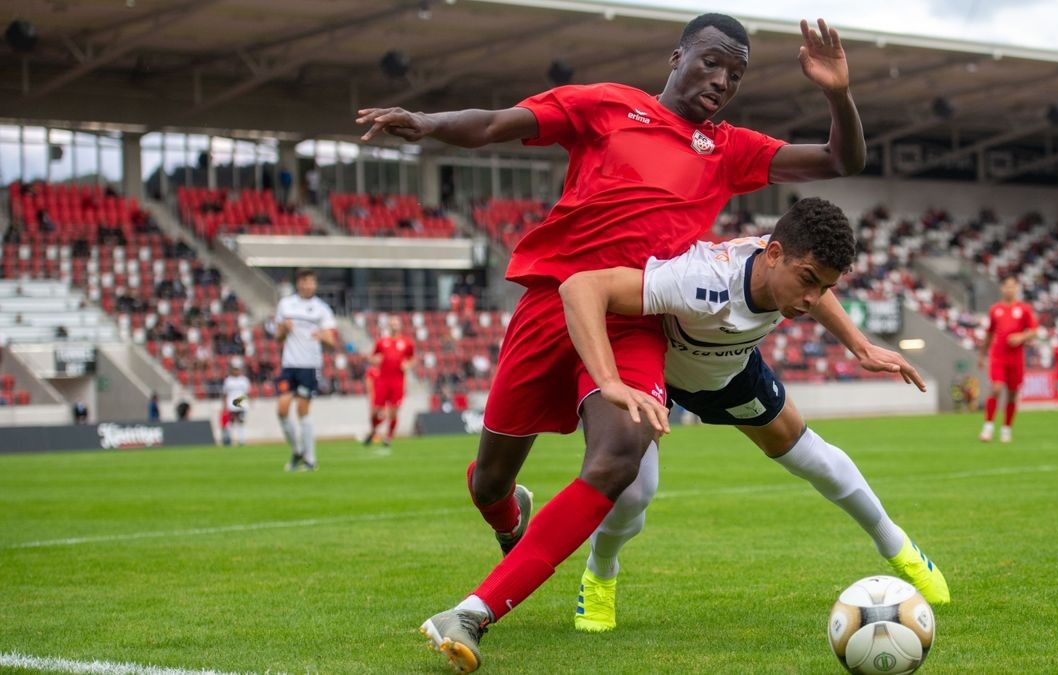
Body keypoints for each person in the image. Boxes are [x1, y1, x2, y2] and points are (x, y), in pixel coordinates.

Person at [359, 14, 866, 672]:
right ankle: (514, 519)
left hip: (633, 319)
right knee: (489, 483)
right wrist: (426, 124)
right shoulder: (604, 106)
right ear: (677, 55)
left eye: (735, 74)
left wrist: (837, 92)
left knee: (621, 450)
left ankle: (472, 613)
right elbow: (491, 124)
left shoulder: (729, 149)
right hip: (552, 303)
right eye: (711, 62)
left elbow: (840, 160)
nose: (721, 80)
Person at [558, 198, 948, 633]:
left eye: (824, 286)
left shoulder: (793, 273)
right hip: (659, 376)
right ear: (774, 254)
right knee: (634, 495)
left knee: (815, 459)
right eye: (808, 281)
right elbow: (580, 288)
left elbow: (815, 291)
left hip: (732, 373)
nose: (812, 298)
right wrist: (609, 379)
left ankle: (902, 550)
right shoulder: (700, 280)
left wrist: (860, 346)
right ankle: (600, 573)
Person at [274, 268, 337, 471]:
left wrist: (323, 337)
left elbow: (331, 343)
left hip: (309, 366)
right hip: (289, 364)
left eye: (311, 281)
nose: (308, 285)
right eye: (304, 281)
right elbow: (277, 338)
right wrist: (283, 330)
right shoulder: (286, 305)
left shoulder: (322, 309)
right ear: (298, 283)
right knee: (282, 410)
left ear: (315, 284)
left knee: (303, 411)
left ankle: (310, 459)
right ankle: (297, 451)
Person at [978, 276, 1038, 443]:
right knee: (996, 389)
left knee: (1012, 395)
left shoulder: (1024, 309)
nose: (1009, 290)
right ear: (1002, 289)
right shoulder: (995, 309)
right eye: (1007, 287)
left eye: (1012, 287)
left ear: (1016, 289)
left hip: (1016, 358)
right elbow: (990, 334)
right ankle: (988, 427)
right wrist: (982, 354)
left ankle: (1006, 429)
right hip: (998, 356)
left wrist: (1021, 336)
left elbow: (1034, 330)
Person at [364, 315, 415, 448]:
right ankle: (374, 431)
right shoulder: (382, 342)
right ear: (388, 326)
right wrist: (375, 360)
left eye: (396, 323)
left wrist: (408, 365)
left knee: (393, 411)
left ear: (400, 325)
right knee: (374, 411)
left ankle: (388, 437)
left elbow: (413, 359)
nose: (393, 325)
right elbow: (371, 357)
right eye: (391, 323)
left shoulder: (407, 343)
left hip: (397, 382)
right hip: (382, 381)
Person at [221, 359, 251, 447]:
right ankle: (229, 439)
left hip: (241, 404)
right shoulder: (228, 380)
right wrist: (224, 406)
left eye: (237, 369)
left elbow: (247, 393)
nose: (236, 371)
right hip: (231, 405)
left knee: (241, 422)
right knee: (230, 422)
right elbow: (225, 394)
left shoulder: (244, 380)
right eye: (235, 369)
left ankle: (241, 440)